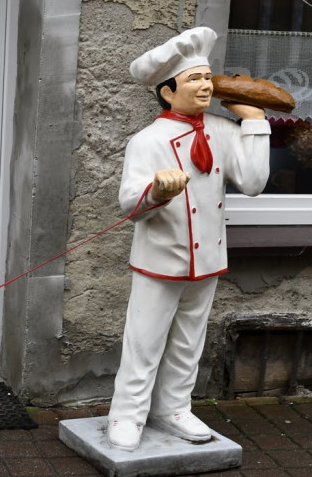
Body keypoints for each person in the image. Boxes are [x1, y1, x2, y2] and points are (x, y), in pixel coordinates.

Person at [107, 26, 271, 451]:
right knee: (144, 341)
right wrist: (157, 191)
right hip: (161, 259)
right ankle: (127, 415)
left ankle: (175, 408)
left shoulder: (221, 130)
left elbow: (252, 182)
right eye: (193, 79)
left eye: (206, 77)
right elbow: (129, 207)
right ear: (167, 92)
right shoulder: (146, 142)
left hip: (208, 259)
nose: (205, 85)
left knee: (188, 342)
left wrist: (254, 122)